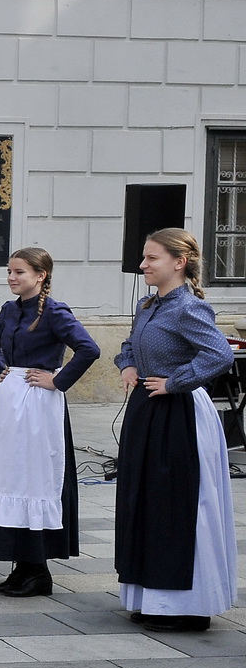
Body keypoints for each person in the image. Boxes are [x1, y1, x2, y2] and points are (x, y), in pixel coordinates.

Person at [115, 229, 237, 632]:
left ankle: (187, 606)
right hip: (148, 411)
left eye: (152, 258)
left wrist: (175, 382)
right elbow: (130, 344)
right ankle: (153, 598)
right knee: (146, 501)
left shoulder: (189, 307)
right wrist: (128, 365)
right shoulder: (148, 304)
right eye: (144, 257)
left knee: (177, 504)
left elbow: (219, 354)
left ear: (179, 262)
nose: (143, 265)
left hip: (179, 414)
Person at [0, 247, 101, 598]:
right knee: (11, 474)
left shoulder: (55, 312)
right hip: (10, 400)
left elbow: (89, 349)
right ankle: (21, 564)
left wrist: (57, 380)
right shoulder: (9, 310)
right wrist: (2, 370)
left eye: (20, 272)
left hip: (39, 405)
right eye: (9, 271)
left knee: (34, 476)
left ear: (40, 275)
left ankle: (37, 568)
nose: (11, 278)